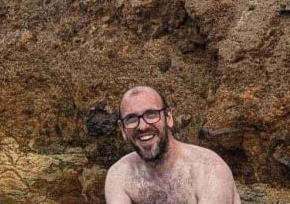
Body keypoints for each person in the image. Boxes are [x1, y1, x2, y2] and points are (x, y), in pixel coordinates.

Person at [103, 86, 241, 204]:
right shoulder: (120, 175)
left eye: (151, 114)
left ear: (168, 117)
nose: (143, 126)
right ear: (123, 129)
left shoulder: (208, 169)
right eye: (131, 119)